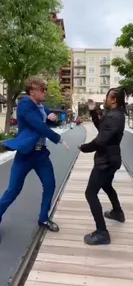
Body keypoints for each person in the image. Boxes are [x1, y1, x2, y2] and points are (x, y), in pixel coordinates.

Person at [0, 76, 69, 232]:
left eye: (46, 89)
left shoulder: (41, 107)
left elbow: (51, 120)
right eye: (42, 89)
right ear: (32, 91)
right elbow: (39, 126)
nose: (45, 92)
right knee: (13, 190)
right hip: (25, 155)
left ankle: (43, 219)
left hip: (40, 155)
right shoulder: (25, 105)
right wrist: (58, 138)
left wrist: (53, 118)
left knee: (50, 185)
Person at [78, 87, 126, 245]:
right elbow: (102, 128)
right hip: (111, 159)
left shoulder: (114, 117)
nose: (105, 99)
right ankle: (117, 212)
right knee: (106, 185)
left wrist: (84, 147)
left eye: (107, 97)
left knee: (90, 193)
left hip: (105, 161)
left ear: (113, 100)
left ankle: (102, 232)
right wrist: (93, 111)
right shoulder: (114, 115)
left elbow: (100, 140)